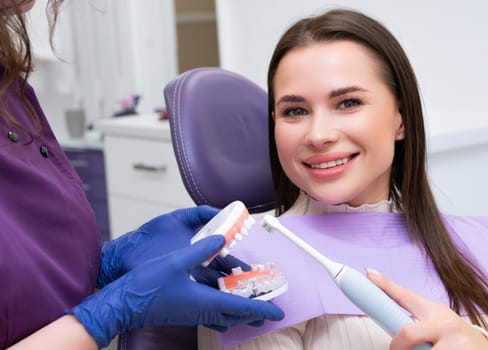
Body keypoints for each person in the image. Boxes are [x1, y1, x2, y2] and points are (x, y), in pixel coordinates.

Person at [198, 8, 488, 350]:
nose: (319, 134)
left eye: (348, 103)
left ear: (401, 118)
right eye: (295, 111)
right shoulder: (248, 270)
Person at [0, 0, 284, 349]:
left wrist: (106, 262)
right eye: (295, 110)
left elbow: (23, 267)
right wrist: (111, 311)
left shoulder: (10, 91)